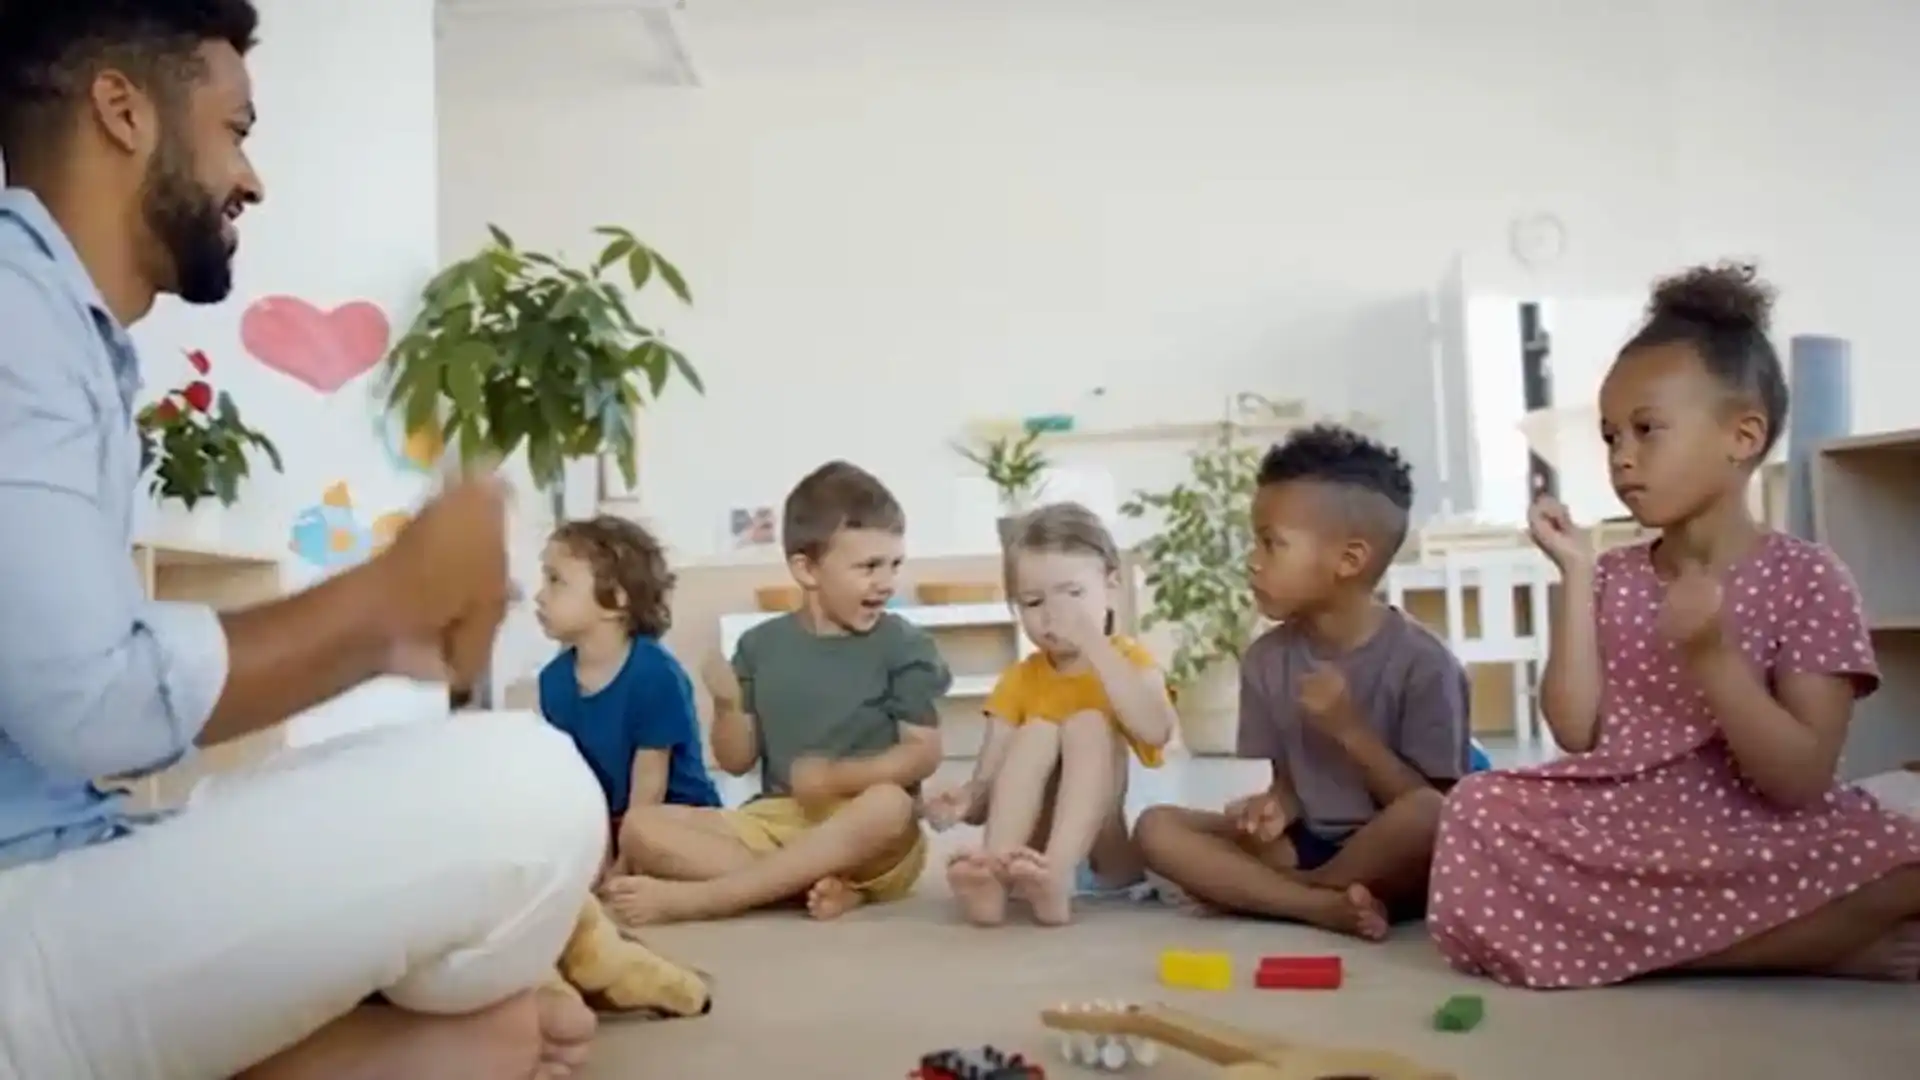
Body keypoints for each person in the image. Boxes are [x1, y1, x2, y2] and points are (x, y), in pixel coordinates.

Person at [0, 4, 610, 1078]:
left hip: (62, 863)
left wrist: (389, 620)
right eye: (235, 128)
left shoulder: (68, 328)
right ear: (121, 110)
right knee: (534, 791)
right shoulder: (15, 310)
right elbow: (87, 705)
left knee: (500, 962)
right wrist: (385, 604)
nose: (252, 177)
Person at [1430, 262, 1920, 988]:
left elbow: (1800, 779)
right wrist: (1571, 572)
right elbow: (1576, 733)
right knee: (1475, 808)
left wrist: (1712, 655)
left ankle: (1650, 947)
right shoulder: (1613, 575)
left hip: (1756, 829)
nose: (1622, 456)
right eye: (1610, 436)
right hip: (1626, 823)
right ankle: (1792, 946)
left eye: (1647, 429)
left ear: (1742, 435)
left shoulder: (1809, 577)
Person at [1134, 424, 1469, 940]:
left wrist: (1349, 730)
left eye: (1272, 545)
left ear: (1349, 560)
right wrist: (1275, 806)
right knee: (1156, 826)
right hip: (1305, 842)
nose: (1253, 560)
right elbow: (1291, 782)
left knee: (1427, 815)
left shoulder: (1426, 665)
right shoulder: (1267, 660)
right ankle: (1318, 903)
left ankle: (1278, 896)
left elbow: (1440, 812)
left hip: (1394, 851)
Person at [600, 461, 949, 925]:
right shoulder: (761, 646)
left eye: (894, 564)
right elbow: (737, 761)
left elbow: (922, 754)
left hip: (866, 830)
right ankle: (806, 885)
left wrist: (836, 780)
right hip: (779, 821)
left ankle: (712, 898)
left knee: (890, 804)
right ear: (806, 569)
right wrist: (727, 707)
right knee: (642, 828)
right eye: (868, 567)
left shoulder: (904, 645)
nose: (886, 582)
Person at [927, 502, 1174, 926]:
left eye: (1073, 594)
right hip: (1027, 855)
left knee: (1088, 722)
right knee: (1037, 729)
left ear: (1111, 586)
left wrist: (1096, 644)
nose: (1053, 614)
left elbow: (1157, 730)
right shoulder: (1019, 681)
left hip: (1104, 856)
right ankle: (995, 872)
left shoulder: (1128, 662)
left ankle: (1058, 875)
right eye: (1034, 601)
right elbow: (989, 781)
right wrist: (966, 799)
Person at [535, 516, 722, 875]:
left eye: (556, 581)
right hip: (612, 820)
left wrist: (620, 868)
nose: (540, 595)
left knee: (650, 842)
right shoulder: (553, 683)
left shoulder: (655, 675)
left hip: (679, 819)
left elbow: (649, 788)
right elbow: (576, 783)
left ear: (616, 599)